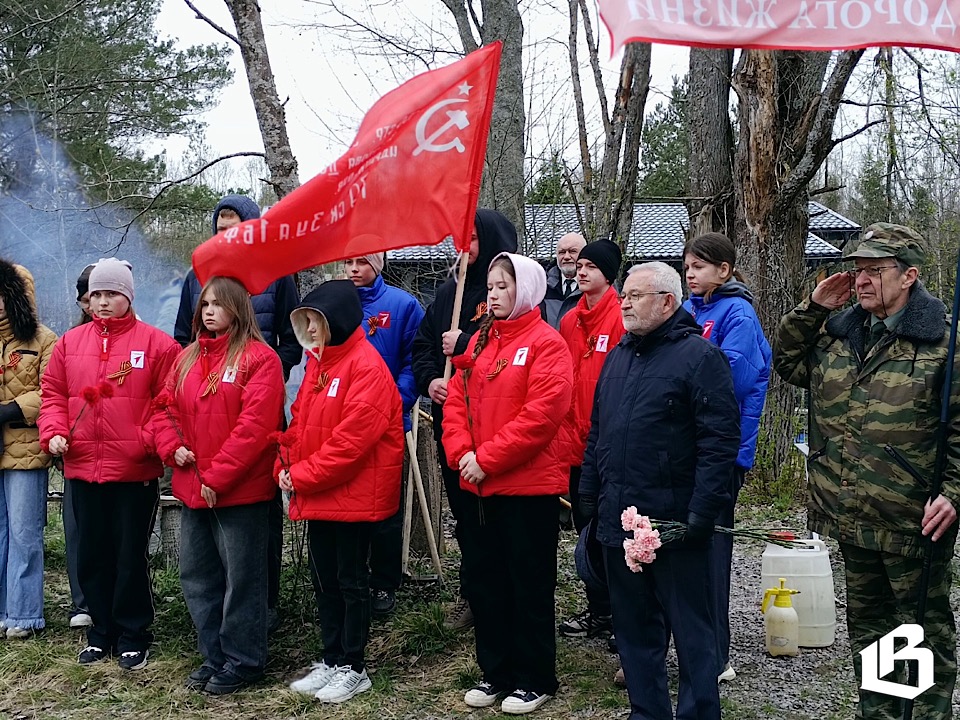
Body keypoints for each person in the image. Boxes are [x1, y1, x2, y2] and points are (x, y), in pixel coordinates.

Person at [774, 223, 959, 719]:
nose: (861, 280)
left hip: (913, 516)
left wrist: (955, 492)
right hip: (852, 512)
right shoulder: (840, 334)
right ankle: (880, 712)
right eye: (858, 270)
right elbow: (786, 361)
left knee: (919, 631)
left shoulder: (943, 344)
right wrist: (814, 307)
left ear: (910, 277)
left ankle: (922, 714)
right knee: (872, 630)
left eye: (875, 270)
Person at [580, 262, 740, 720]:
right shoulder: (619, 356)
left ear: (667, 302)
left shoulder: (700, 357)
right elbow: (600, 432)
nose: (623, 303)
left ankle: (697, 712)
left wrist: (701, 512)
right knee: (634, 633)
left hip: (674, 522)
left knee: (692, 633)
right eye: (623, 294)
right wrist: (590, 493)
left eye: (635, 295)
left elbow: (718, 442)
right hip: (620, 520)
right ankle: (646, 712)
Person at [443, 252, 573, 715]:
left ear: (530, 290)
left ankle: (534, 676)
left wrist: (489, 459)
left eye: (504, 286)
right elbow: (456, 402)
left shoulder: (547, 344)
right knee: (485, 581)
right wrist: (462, 454)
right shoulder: (479, 342)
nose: (494, 294)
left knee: (529, 582)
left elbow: (541, 416)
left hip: (527, 487)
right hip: (477, 484)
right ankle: (495, 670)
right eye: (492, 287)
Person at [39, 258, 179, 670]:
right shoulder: (70, 343)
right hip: (83, 468)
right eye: (96, 295)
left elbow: (166, 406)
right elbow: (52, 395)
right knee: (92, 555)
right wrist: (54, 432)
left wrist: (145, 442)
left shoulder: (157, 345)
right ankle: (100, 632)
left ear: (128, 297)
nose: (102, 302)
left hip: (133, 473)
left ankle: (134, 632)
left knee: (129, 554)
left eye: (111, 294)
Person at [174, 193, 301, 635]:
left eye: (235, 226)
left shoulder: (276, 274)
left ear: (251, 228)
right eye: (220, 225)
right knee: (207, 549)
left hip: (254, 398)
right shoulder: (198, 275)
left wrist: (260, 370)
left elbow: (291, 336)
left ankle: (261, 613)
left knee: (254, 525)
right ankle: (219, 633)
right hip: (206, 401)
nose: (226, 233)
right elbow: (181, 336)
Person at [155, 276, 285, 694]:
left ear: (238, 308)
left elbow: (255, 428)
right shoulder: (187, 357)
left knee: (242, 579)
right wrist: (171, 447)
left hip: (239, 492)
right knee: (197, 576)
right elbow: (162, 410)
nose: (208, 311)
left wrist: (218, 477)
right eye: (203, 304)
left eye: (217, 304)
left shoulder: (260, 359)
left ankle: (244, 660)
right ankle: (214, 655)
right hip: (193, 489)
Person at [281, 280, 403, 704]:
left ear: (338, 320)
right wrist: (287, 462)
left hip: (353, 496)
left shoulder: (366, 368)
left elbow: (349, 444)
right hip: (320, 492)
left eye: (316, 321)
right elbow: (300, 421)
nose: (311, 329)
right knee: (325, 580)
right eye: (306, 321)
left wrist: (302, 475)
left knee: (351, 582)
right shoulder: (320, 364)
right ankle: (332, 659)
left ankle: (354, 666)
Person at [411, 209, 517, 630]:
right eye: (461, 239)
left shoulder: (510, 292)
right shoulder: (447, 293)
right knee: (464, 514)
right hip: (452, 424)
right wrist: (431, 380)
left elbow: (509, 347)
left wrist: (467, 342)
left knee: (496, 516)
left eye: (472, 239)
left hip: (492, 427)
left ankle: (504, 593)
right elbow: (423, 345)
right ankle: (472, 592)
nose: (464, 248)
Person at [682, 232, 771, 683]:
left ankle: (716, 656)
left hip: (721, 450)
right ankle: (689, 648)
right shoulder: (687, 310)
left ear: (724, 270)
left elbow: (731, 377)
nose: (691, 273)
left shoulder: (738, 313)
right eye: (687, 266)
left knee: (712, 553)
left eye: (700, 266)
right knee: (683, 551)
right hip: (684, 448)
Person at [344, 253, 424, 616]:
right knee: (349, 504)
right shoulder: (338, 303)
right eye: (348, 262)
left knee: (385, 507)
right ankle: (352, 576)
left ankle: (384, 582)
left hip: (388, 423)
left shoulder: (402, 304)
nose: (354, 269)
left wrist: (395, 401)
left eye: (362, 261)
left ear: (377, 264)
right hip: (343, 423)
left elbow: (414, 360)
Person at [557, 240, 623, 641]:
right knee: (585, 531)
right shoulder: (569, 320)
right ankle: (598, 610)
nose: (581, 272)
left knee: (613, 533)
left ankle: (622, 614)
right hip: (572, 444)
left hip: (607, 444)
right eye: (579, 265)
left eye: (590, 267)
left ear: (608, 274)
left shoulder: (619, 316)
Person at [0, 260, 57, 639]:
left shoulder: (44, 339)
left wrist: (13, 409)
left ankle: (22, 614)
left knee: (23, 533)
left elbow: (52, 389)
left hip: (25, 449)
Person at [63, 264, 95, 630]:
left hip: (120, 455)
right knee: (76, 528)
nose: (94, 304)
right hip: (77, 450)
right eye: (88, 298)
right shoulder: (69, 342)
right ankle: (81, 601)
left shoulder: (140, 341)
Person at [544, 232, 587, 329]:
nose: (566, 257)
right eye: (562, 252)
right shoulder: (543, 288)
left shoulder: (595, 287)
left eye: (572, 251)